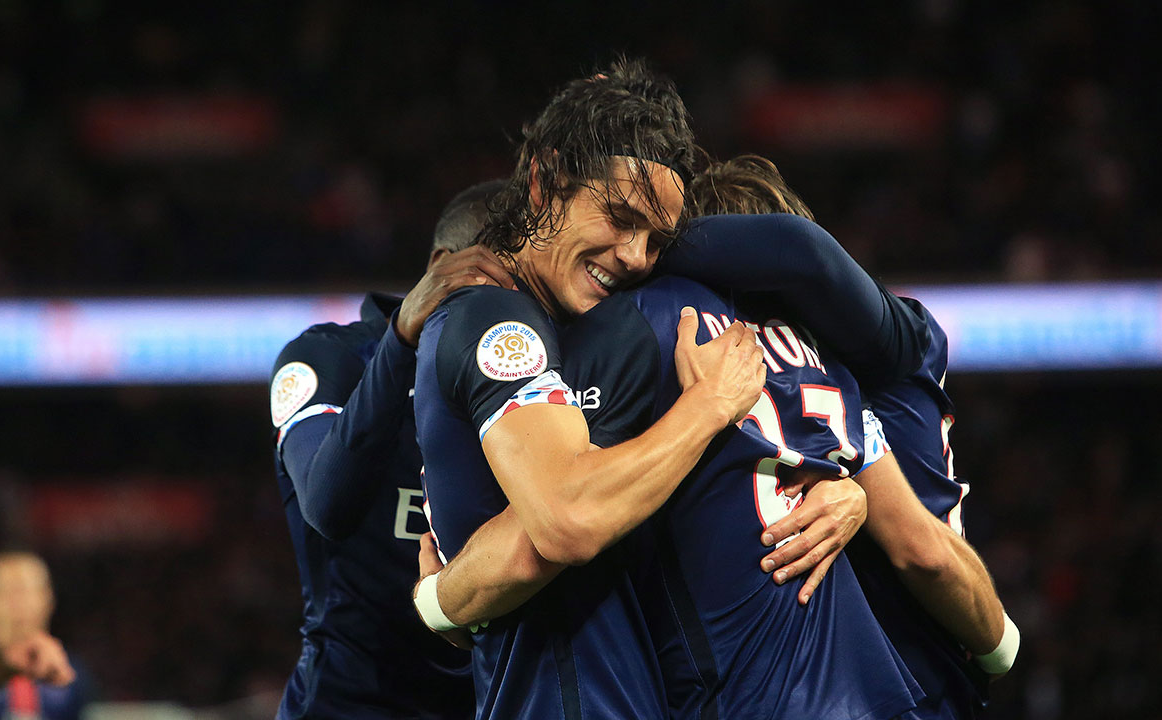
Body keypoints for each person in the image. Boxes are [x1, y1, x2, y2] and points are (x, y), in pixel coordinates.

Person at [417, 157, 1016, 718]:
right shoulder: (832, 359)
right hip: (881, 694)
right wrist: (850, 493)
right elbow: (918, 544)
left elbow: (564, 516)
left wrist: (440, 600)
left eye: (656, 239)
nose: (636, 256)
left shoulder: (648, 323)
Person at [687, 155, 1021, 718]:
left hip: (795, 674)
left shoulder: (718, 353)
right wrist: (1003, 647)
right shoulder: (863, 355)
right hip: (918, 674)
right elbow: (923, 552)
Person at [270, 179, 513, 720]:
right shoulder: (328, 359)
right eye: (503, 284)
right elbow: (327, 504)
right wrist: (402, 343)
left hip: (486, 702)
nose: (515, 313)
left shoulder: (526, 374)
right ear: (443, 265)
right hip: (349, 704)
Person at [0, 552, 84, 720]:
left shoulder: (72, 677)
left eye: (28, 590)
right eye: (4, 591)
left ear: (49, 599)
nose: (18, 603)